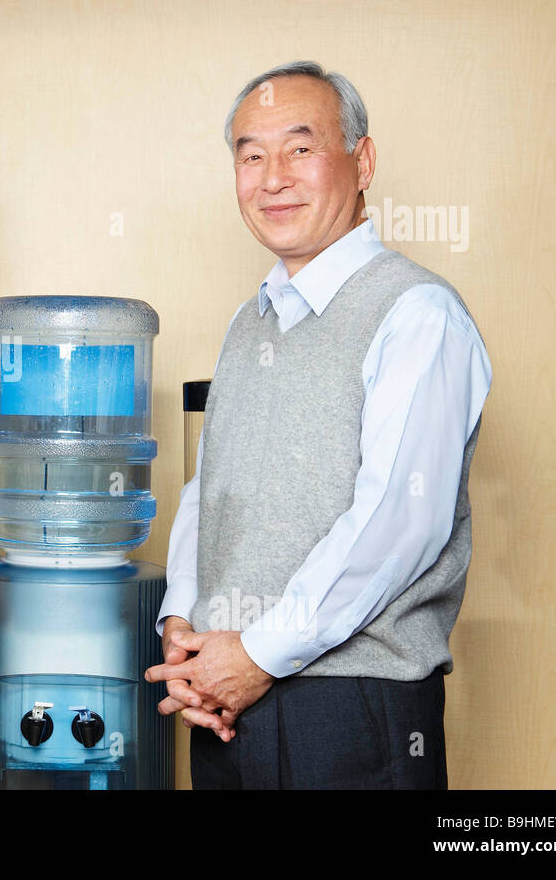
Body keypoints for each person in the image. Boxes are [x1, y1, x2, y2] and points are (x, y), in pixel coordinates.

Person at [146, 61, 492, 789]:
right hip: (225, 702)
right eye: (250, 154)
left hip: (353, 708)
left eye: (300, 148)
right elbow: (212, 490)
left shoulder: (417, 314)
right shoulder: (250, 320)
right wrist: (183, 626)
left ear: (361, 161)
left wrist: (259, 654)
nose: (272, 178)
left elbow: (400, 522)